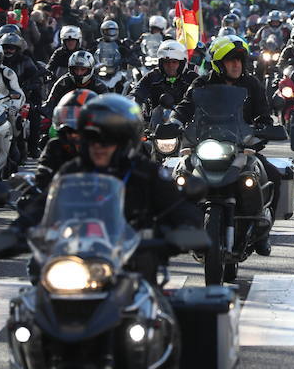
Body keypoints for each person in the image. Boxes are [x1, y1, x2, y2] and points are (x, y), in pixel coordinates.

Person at [11, 94, 202, 284]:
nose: (98, 145)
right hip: (74, 257)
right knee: (33, 289)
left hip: (131, 268)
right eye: (90, 137)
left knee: (158, 308)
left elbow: (179, 207)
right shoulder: (73, 170)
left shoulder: (146, 172)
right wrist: (15, 232)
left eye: (106, 139)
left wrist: (181, 231)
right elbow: (44, 202)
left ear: (122, 141)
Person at [169, 35, 274, 255]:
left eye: (239, 60)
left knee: (271, 173)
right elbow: (185, 106)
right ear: (218, 64)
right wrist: (173, 123)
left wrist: (263, 129)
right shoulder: (202, 83)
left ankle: (262, 228)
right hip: (205, 144)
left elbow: (264, 115)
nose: (236, 64)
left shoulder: (251, 84)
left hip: (241, 146)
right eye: (230, 60)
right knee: (179, 172)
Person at [131, 40, 198, 119]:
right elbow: (136, 94)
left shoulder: (192, 78)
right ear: (161, 64)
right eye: (166, 62)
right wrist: (132, 112)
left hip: (188, 125)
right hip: (156, 126)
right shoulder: (153, 76)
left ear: (182, 63)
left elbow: (206, 99)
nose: (170, 66)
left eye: (174, 62)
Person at [43, 50, 108, 118]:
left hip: (90, 122)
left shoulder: (99, 86)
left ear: (90, 69)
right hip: (65, 122)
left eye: (83, 69)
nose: (79, 73)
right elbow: (50, 103)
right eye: (76, 69)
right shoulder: (63, 83)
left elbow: (107, 108)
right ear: (70, 69)